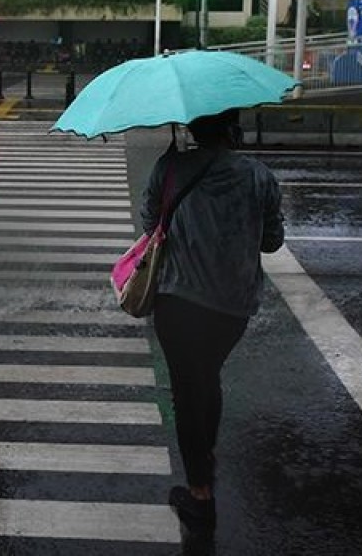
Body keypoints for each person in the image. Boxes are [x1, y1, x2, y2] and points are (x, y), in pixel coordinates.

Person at [139, 109, 284, 542]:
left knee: (187, 391)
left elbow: (150, 225)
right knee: (207, 377)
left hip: (179, 300)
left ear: (192, 127)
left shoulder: (170, 168)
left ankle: (200, 495)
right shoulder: (259, 177)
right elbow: (272, 241)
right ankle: (206, 454)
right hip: (233, 306)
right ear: (232, 129)